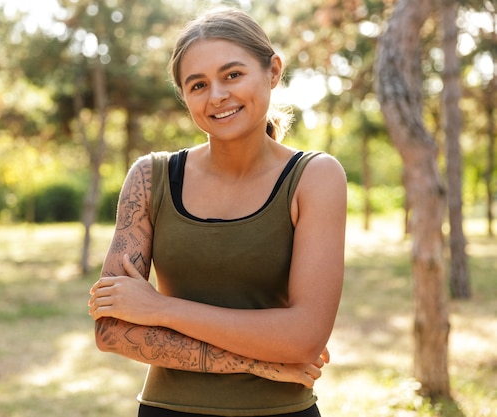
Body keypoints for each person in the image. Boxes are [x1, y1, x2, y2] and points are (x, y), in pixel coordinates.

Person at [88, 7, 346, 417]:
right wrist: (259, 362)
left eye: (233, 75)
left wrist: (160, 309)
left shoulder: (315, 177)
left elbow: (304, 339)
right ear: (185, 96)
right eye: (198, 85)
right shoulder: (150, 178)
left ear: (273, 71)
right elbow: (113, 330)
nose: (217, 96)